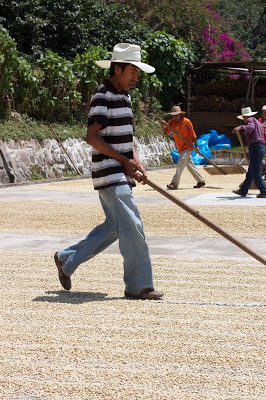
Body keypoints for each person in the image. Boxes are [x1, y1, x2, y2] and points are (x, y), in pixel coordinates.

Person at [54, 43, 164, 300]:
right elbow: (92, 137)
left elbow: (127, 140)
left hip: (120, 171)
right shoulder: (102, 95)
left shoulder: (124, 97)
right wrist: (124, 162)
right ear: (118, 69)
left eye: (137, 73)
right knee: (133, 226)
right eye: (132, 72)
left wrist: (136, 162)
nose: (136, 78)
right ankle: (139, 286)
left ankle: (66, 259)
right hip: (108, 173)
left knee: (116, 227)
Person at [161, 106, 205, 190]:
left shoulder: (186, 122)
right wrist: (163, 126)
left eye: (177, 115)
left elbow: (193, 135)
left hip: (188, 146)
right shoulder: (171, 122)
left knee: (180, 162)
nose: (175, 117)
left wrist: (196, 146)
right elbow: (165, 132)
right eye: (173, 115)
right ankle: (201, 181)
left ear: (180, 114)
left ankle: (174, 183)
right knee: (190, 165)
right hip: (180, 148)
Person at [232, 107, 266, 198]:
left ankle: (264, 191)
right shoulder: (256, 121)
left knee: (255, 171)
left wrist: (240, 127)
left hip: (256, 147)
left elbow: (250, 128)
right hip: (258, 147)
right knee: (251, 171)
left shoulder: (250, 120)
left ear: (244, 117)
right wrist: (249, 151)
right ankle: (243, 190)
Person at [258, 105, 266, 178]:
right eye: (263, 111)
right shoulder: (259, 121)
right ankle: (263, 170)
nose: (264, 113)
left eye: (265, 111)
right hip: (260, 144)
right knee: (256, 159)